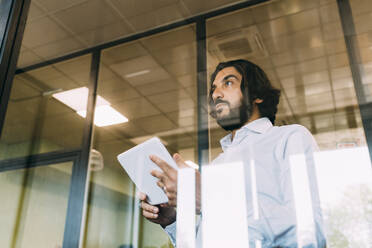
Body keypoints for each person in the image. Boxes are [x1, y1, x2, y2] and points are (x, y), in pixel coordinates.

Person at [139, 59, 327, 247]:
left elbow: (311, 229)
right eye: (213, 89)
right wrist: (171, 220)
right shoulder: (218, 164)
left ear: (257, 95)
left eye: (228, 83)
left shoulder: (290, 138)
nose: (216, 94)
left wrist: (211, 200)